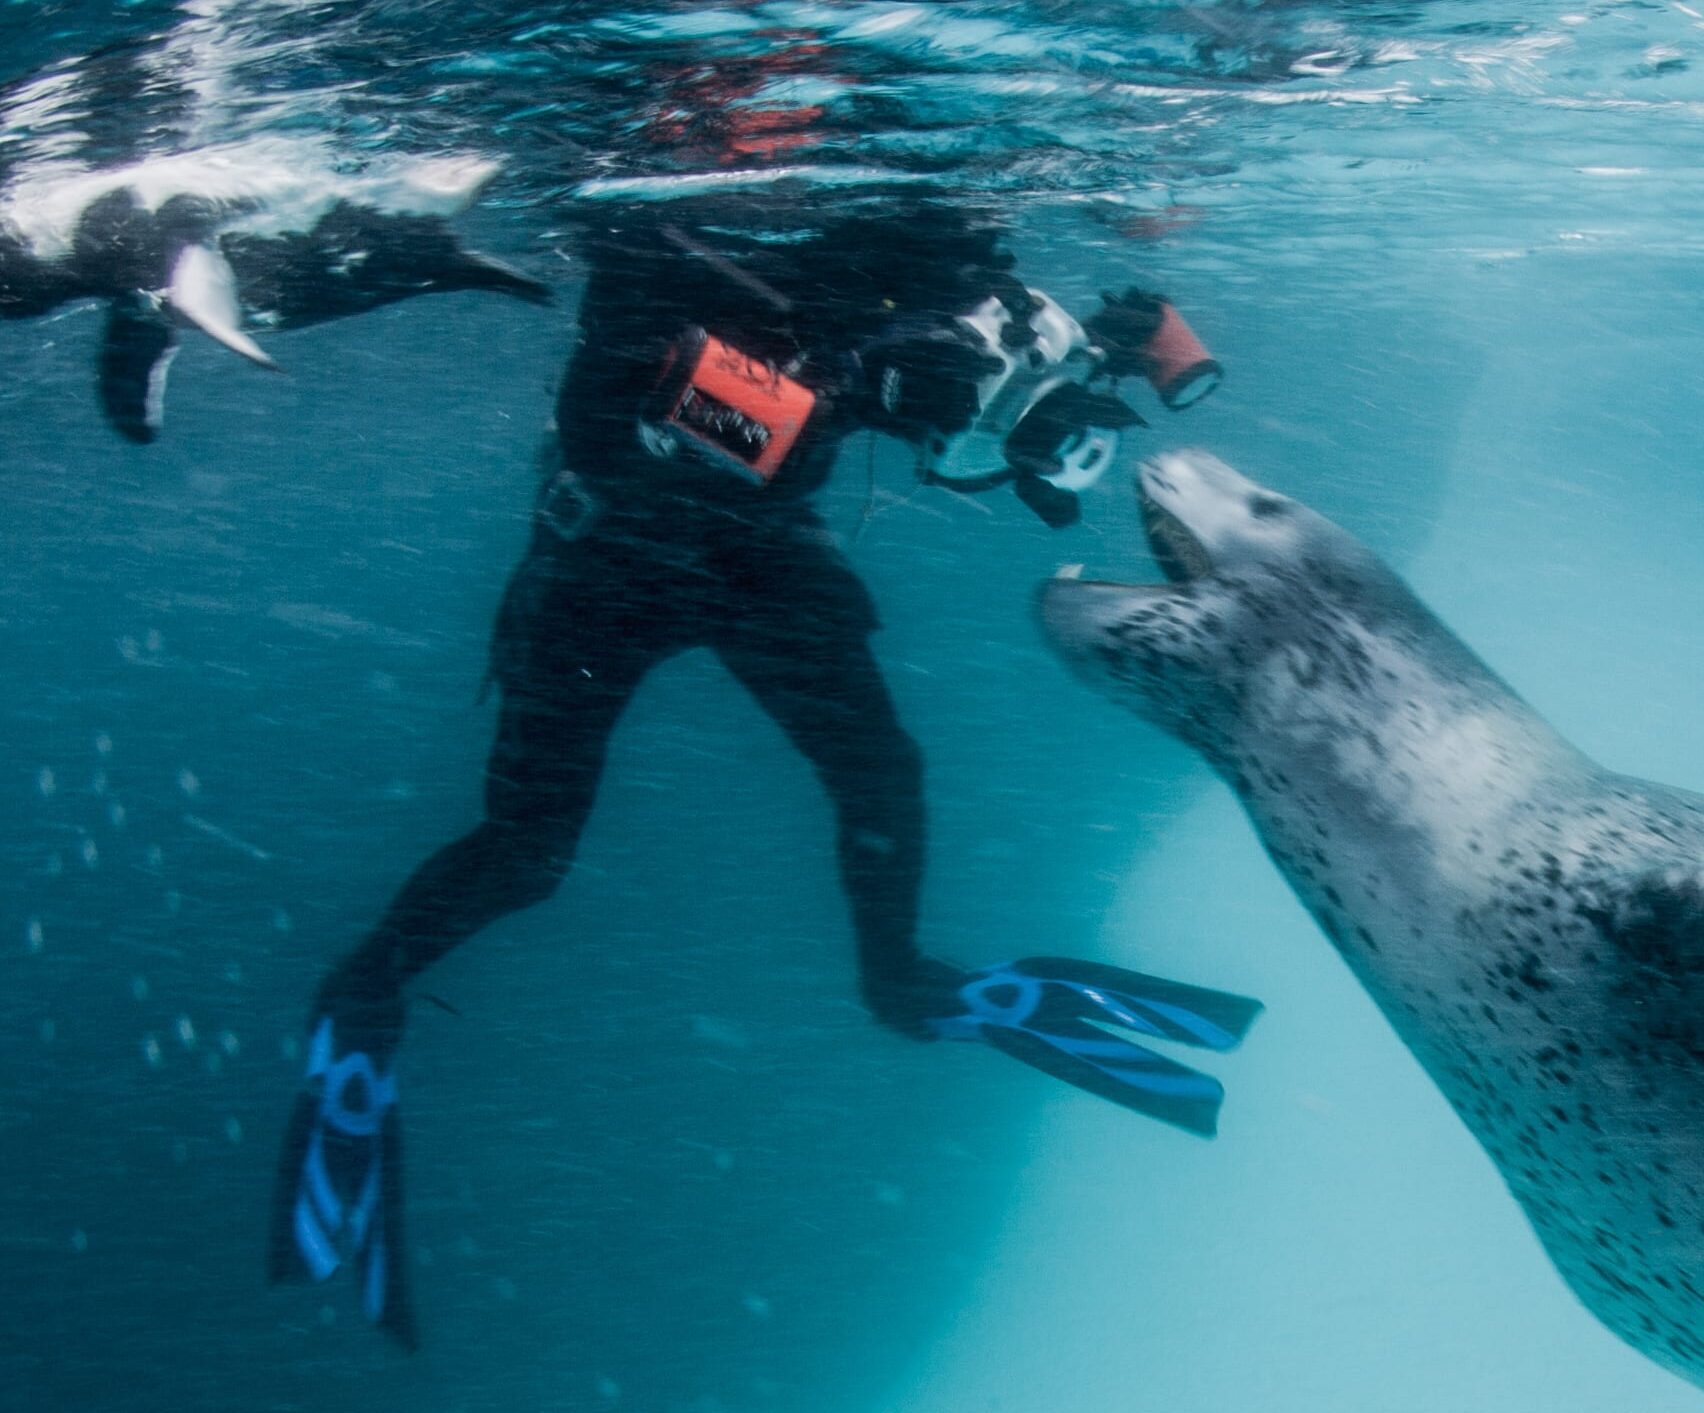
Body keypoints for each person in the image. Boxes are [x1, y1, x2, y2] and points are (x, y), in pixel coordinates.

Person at [273, 192, 1254, 1343]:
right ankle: (365, 990)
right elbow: (626, 401)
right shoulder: (667, 231)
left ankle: (902, 979)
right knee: (532, 845)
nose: (977, 249)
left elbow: (984, 453)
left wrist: (1052, 380)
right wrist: (847, 386)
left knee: (881, 770)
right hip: (612, 545)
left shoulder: (914, 248)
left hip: (760, 549)